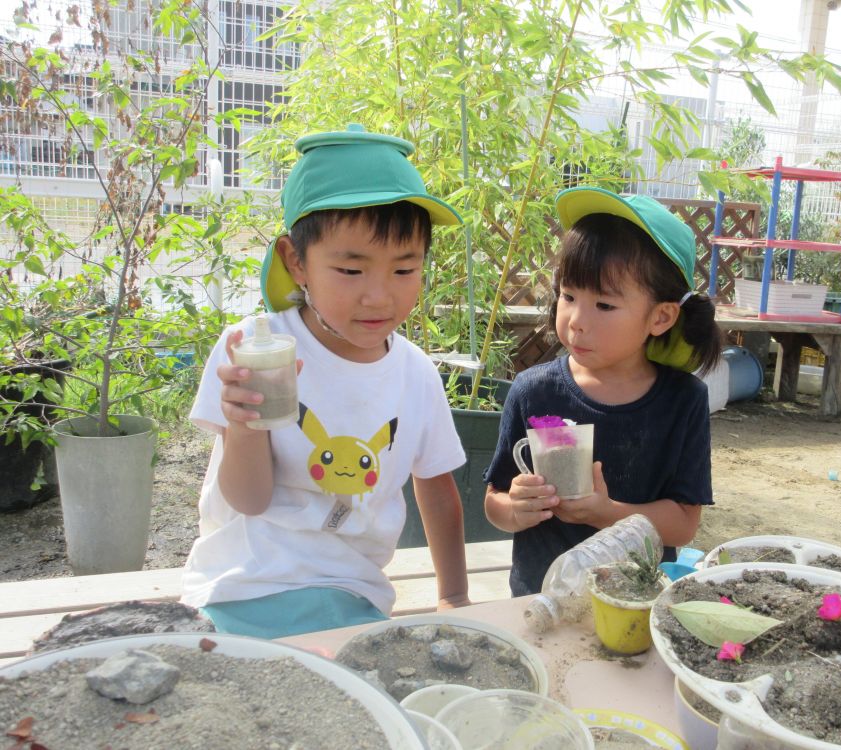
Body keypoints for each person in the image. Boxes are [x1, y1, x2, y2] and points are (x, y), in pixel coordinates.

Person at [180, 125, 471, 637]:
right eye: (351, 271)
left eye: (405, 271)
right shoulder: (256, 349)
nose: (380, 297)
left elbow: (437, 487)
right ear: (297, 262)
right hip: (242, 584)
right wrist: (244, 425)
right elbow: (248, 501)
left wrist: (454, 597)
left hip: (349, 591)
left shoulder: (416, 375)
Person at [483, 187, 723, 596]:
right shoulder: (533, 391)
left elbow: (683, 522)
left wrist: (607, 513)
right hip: (539, 597)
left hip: (633, 600)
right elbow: (495, 501)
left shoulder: (683, 401)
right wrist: (516, 509)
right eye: (569, 296)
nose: (577, 320)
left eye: (605, 306)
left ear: (661, 317)